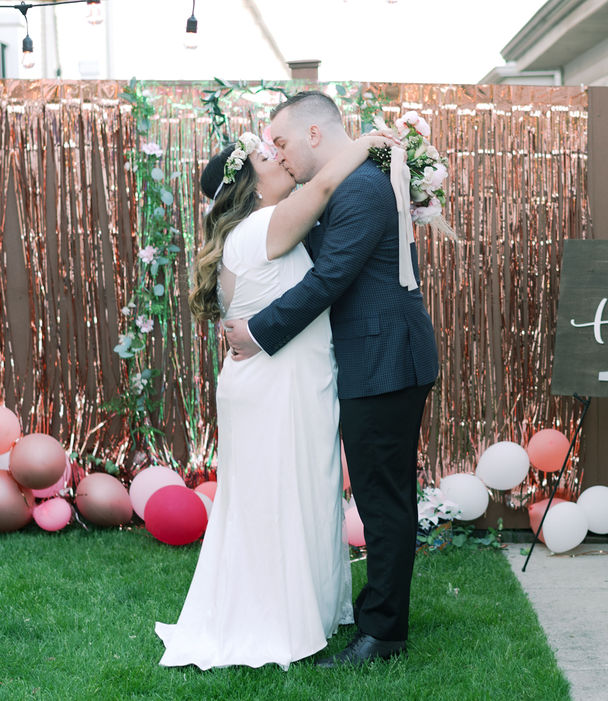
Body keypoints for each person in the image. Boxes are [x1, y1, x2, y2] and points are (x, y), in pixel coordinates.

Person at [154, 128, 397, 670]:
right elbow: (328, 181)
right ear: (249, 185)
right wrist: (371, 140)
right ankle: (273, 617)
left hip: (282, 380)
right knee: (278, 498)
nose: (278, 156)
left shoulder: (258, 229)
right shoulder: (264, 226)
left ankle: (300, 607)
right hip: (276, 387)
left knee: (297, 493)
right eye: (266, 156)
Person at [222, 92, 439, 667]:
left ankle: (383, 633)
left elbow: (330, 280)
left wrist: (258, 332)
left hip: (386, 361)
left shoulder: (362, 189)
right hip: (372, 360)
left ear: (315, 135)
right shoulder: (347, 185)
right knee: (377, 493)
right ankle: (377, 619)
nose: (281, 155)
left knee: (383, 498)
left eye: (284, 142)